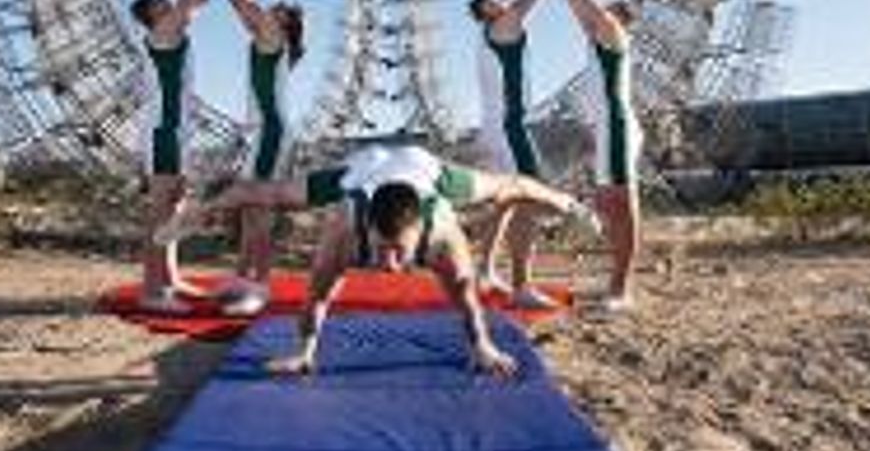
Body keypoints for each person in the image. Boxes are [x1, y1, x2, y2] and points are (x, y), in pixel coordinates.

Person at [153, 143, 599, 376]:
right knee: (265, 193)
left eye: (399, 252)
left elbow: (464, 293)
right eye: (382, 250)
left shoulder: (442, 227)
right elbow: (318, 295)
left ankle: (573, 205)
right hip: (363, 170)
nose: (389, 266)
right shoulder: (346, 224)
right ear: (367, 230)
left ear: (420, 233)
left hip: (423, 170)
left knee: (512, 186)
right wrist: (304, 352)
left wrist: (480, 345)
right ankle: (192, 216)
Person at [209, 0, 306, 316]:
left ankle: (259, 286)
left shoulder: (271, 36)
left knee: (261, 211)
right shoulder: (269, 38)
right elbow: (248, 9)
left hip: (272, 134)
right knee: (251, 209)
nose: (272, 8)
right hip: (264, 133)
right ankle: (242, 277)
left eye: (279, 9)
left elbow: (244, 6)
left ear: (284, 23)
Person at [128, 0, 224, 314]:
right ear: (153, 17)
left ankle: (170, 278)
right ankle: (153, 292)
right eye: (161, 3)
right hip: (163, 134)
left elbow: (195, 2)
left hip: (177, 134)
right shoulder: (162, 36)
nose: (169, 3)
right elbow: (187, 1)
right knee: (159, 214)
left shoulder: (174, 32)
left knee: (174, 211)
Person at [466, 0, 561, 308]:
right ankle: (523, 285)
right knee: (527, 202)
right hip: (509, 129)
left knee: (503, 203)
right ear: (486, 11)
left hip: (493, 129)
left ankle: (486, 269)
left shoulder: (486, 37)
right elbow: (526, 1)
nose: (503, 0)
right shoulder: (503, 27)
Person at [556, 0, 642, 311]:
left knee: (622, 203)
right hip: (606, 129)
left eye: (608, 11)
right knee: (608, 205)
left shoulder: (615, 37)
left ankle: (622, 289)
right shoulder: (598, 44)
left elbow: (587, 7)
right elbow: (580, 9)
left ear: (619, 21)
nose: (597, 16)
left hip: (617, 126)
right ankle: (615, 283)